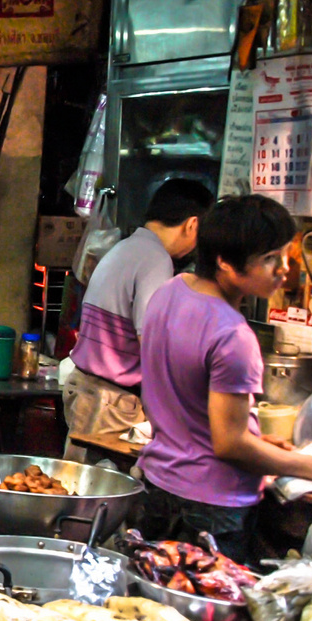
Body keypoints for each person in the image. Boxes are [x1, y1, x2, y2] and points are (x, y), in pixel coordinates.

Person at [136, 194, 312, 561]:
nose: (283, 269)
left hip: (159, 485)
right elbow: (229, 444)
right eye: (269, 259)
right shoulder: (233, 335)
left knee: (153, 600)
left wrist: (261, 444)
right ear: (226, 263)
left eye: (284, 254)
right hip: (212, 506)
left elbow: (190, 408)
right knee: (207, 613)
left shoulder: (170, 291)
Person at [61, 178, 214, 459]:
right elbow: (151, 344)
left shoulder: (125, 248)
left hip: (86, 388)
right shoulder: (155, 260)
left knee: (80, 488)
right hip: (111, 401)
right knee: (102, 495)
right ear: (192, 224)